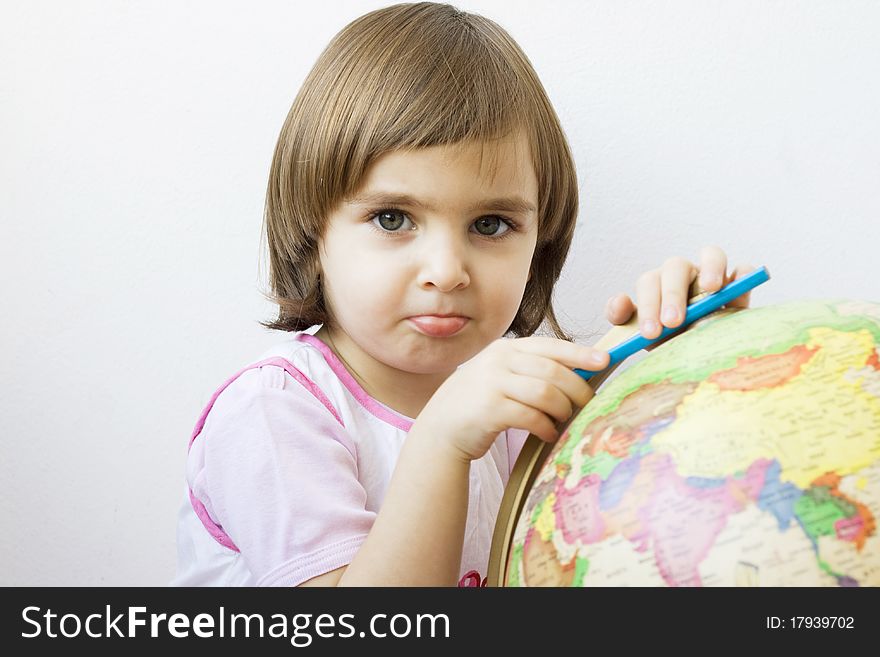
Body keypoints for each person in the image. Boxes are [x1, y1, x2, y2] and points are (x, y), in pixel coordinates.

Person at [171, 2, 754, 587]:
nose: (447, 272)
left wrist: (665, 362)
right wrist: (442, 438)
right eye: (394, 219)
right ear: (311, 229)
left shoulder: (515, 405)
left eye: (491, 225)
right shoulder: (272, 413)